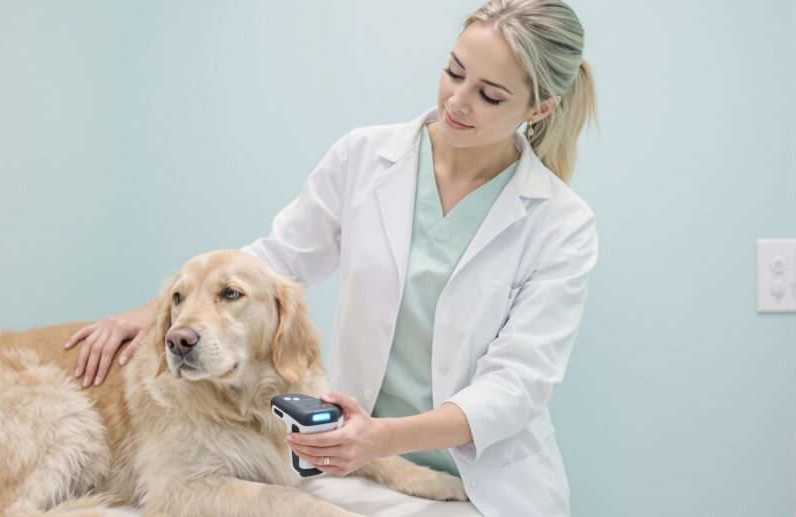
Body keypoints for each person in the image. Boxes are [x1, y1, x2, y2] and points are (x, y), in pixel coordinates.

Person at [63, 1, 598, 515]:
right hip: (349, 457)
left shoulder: (561, 224)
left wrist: (382, 439)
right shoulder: (364, 157)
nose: (457, 101)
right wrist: (155, 316)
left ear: (539, 109)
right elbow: (276, 261)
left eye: (490, 95)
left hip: (483, 480)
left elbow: (517, 385)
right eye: (454, 72)